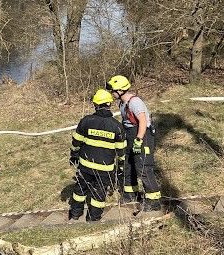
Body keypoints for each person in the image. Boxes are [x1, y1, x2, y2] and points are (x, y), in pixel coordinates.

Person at [68, 89, 127, 221]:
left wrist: (73, 155)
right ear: (109, 105)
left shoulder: (86, 121)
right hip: (105, 169)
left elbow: (76, 142)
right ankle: (94, 219)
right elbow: (121, 152)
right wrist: (121, 167)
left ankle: (75, 215)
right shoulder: (117, 126)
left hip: (85, 166)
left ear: (96, 105)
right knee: (99, 194)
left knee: (80, 190)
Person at [106, 75, 162, 212]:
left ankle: (153, 201)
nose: (111, 93)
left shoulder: (134, 102)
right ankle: (130, 194)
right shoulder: (122, 103)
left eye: (113, 90)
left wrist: (139, 139)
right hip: (130, 135)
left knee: (143, 167)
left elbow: (142, 121)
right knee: (128, 165)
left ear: (120, 90)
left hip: (142, 136)